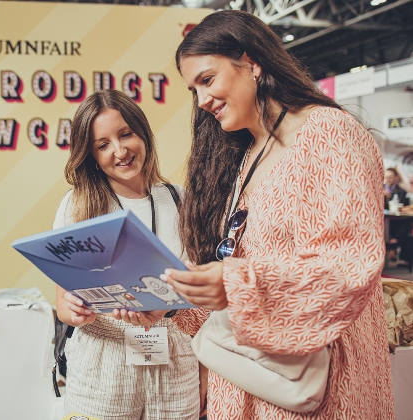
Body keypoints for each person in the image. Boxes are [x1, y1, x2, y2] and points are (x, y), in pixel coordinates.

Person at [161, 10, 394, 419]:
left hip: (318, 386)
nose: (202, 101)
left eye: (207, 80)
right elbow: (236, 269)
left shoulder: (329, 133)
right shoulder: (245, 156)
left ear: (251, 63)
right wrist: (172, 299)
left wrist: (235, 284)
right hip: (247, 380)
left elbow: (349, 263)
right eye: (193, 89)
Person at [54, 89, 201, 419]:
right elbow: (62, 302)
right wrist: (74, 310)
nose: (120, 151)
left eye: (126, 134)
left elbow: (200, 292)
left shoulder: (180, 200)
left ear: (143, 133)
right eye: (102, 145)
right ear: (90, 154)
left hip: (175, 361)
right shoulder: (77, 206)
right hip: (102, 360)